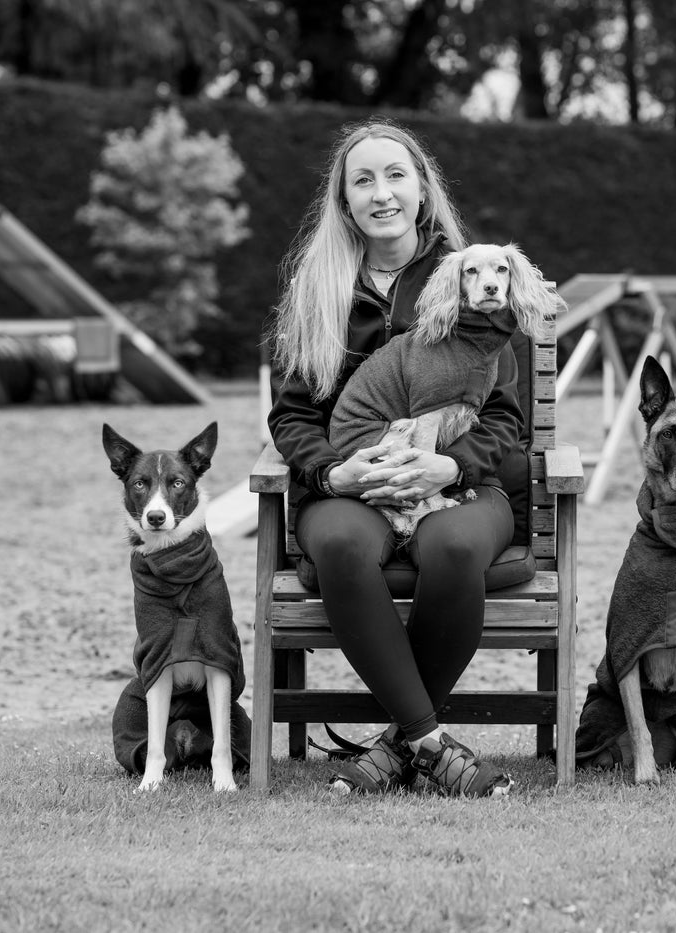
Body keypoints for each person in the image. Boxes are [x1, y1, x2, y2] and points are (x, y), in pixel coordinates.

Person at [268, 118, 523, 798]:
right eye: (363, 179)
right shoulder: (314, 293)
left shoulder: (471, 279)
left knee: (455, 547)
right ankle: (430, 743)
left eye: (396, 175)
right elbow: (290, 417)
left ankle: (396, 749)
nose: (382, 193)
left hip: (462, 485)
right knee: (344, 544)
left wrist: (453, 466)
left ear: (422, 188)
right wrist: (332, 472)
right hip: (347, 485)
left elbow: (505, 417)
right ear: (344, 199)